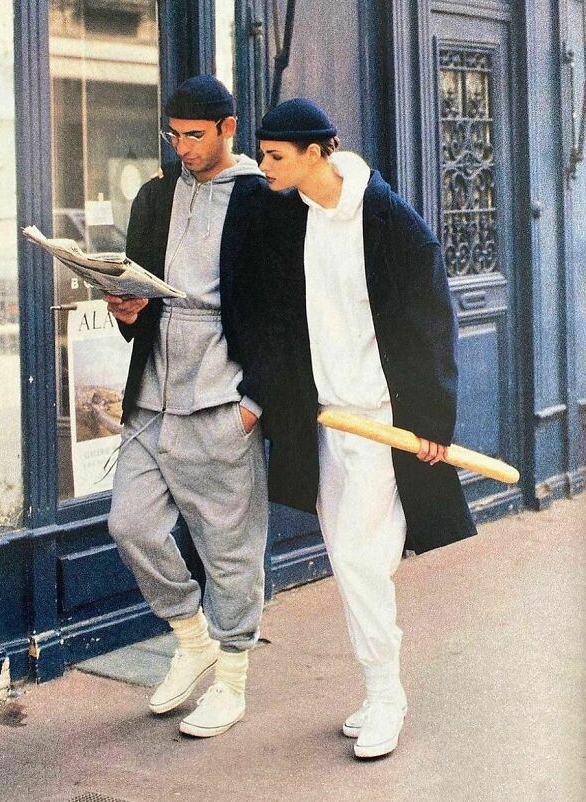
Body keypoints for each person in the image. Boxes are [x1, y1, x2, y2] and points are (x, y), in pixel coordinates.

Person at [249, 98, 477, 758]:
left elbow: (433, 327)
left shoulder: (393, 227)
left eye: (275, 157)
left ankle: (386, 696)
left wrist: (432, 418)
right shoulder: (296, 216)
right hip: (324, 421)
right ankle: (379, 688)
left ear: (316, 153)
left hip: (381, 424)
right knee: (352, 562)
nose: (264, 167)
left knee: (357, 559)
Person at [105, 76, 270, 738]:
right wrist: (125, 308)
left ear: (229, 129)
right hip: (152, 393)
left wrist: (255, 403)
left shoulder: (262, 200)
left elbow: (289, 311)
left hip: (221, 394)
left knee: (229, 548)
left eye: (194, 136)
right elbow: (135, 294)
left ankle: (231, 681)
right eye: (173, 136)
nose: (182, 149)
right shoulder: (153, 195)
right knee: (131, 524)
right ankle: (191, 638)